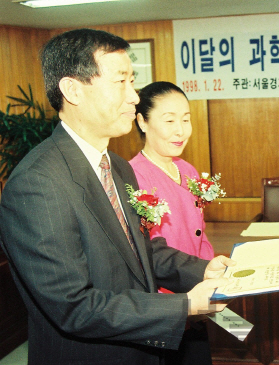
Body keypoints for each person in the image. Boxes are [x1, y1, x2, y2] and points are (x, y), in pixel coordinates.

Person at [0, 28, 235, 365]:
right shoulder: (38, 184)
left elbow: (140, 252)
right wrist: (184, 306)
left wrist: (203, 270)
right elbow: (73, 306)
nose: (134, 96)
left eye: (132, 81)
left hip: (142, 347)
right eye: (121, 82)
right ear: (72, 90)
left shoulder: (118, 167)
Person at [129, 81, 215, 364]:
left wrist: (214, 275)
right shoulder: (133, 178)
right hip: (169, 306)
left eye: (186, 119)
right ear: (142, 121)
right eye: (169, 120)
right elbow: (148, 254)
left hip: (202, 292)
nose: (181, 130)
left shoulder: (187, 169)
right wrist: (204, 275)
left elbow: (199, 236)